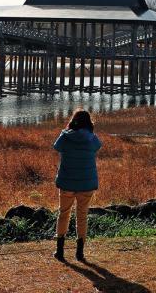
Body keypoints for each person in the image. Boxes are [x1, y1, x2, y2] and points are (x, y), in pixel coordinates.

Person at [52, 109, 102, 262]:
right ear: (89, 123)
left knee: (63, 213)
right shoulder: (92, 138)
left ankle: (59, 250)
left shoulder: (65, 136)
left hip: (67, 181)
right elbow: (98, 146)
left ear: (73, 121)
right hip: (86, 183)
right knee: (82, 216)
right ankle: (79, 252)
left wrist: (65, 130)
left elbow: (56, 147)